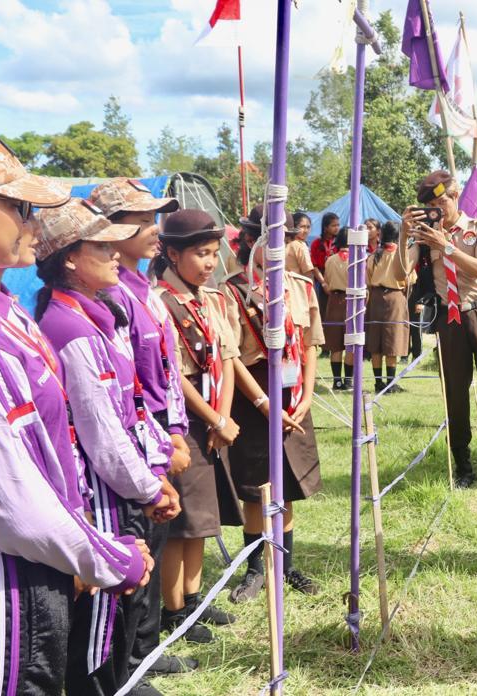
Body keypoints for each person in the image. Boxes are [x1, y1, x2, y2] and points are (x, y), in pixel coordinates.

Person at [0, 120, 151, 695]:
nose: (33, 223)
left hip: (29, 561)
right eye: (18, 207)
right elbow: (16, 503)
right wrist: (111, 559)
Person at [35, 198, 181, 696]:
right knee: (97, 617)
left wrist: (153, 466)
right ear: (70, 258)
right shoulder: (69, 326)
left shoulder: (97, 315)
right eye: (102, 245)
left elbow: (129, 406)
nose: (116, 252)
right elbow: (100, 432)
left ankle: (121, 679)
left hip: (117, 485)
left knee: (119, 609)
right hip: (98, 493)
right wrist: (147, 488)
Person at [89, 177, 199, 679]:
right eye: (140, 220)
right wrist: (164, 435)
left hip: (157, 433)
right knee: (141, 547)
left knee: (154, 542)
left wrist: (175, 428)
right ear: (108, 230)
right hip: (140, 437)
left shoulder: (141, 290)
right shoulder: (113, 295)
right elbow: (130, 382)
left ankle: (144, 652)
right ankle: (132, 661)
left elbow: (164, 368)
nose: (155, 230)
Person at [154, 210, 242, 643]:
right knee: (180, 523)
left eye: (213, 254)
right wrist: (214, 419)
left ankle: (193, 600)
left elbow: (226, 355)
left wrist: (223, 415)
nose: (210, 263)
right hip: (182, 421)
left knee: (203, 519)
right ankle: (173, 611)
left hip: (212, 419)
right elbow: (174, 375)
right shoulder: (161, 301)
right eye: (200, 254)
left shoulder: (210, 299)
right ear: (172, 253)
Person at [222, 240, 323, 602]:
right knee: (255, 486)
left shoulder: (300, 286)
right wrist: (263, 402)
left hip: (293, 395)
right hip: (254, 397)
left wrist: (308, 396)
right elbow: (230, 355)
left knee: (287, 483)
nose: (282, 245)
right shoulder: (232, 291)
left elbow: (311, 343)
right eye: (272, 236)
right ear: (253, 245)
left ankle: (285, 564)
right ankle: (254, 569)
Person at [400, 170, 477, 487]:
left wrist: (446, 247)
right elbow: (401, 272)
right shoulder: (424, 236)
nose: (439, 208)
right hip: (449, 320)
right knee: (455, 393)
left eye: (443, 200)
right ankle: (463, 464)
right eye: (432, 204)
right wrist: (404, 232)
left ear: (456, 195)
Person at [367, 221, 415, 393]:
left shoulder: (374, 256)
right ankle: (390, 383)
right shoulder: (402, 255)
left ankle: (378, 382)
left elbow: (368, 278)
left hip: (376, 297)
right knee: (392, 340)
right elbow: (411, 278)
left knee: (376, 342)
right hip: (395, 297)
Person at [323, 227, 354, 390]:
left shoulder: (330, 259)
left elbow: (327, 281)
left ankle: (337, 381)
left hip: (334, 300)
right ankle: (348, 381)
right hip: (352, 301)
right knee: (351, 343)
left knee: (335, 344)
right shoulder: (357, 259)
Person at [310, 213, 339, 321]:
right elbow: (314, 266)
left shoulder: (339, 243)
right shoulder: (316, 243)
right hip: (321, 278)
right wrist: (323, 283)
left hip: (336, 278)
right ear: (325, 227)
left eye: (338, 225)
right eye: (333, 225)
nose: (337, 228)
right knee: (322, 309)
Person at [286, 211, 315, 278]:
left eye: (308, 227)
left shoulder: (285, 243)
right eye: (302, 227)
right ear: (294, 227)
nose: (306, 231)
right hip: (297, 286)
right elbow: (308, 273)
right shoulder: (300, 246)